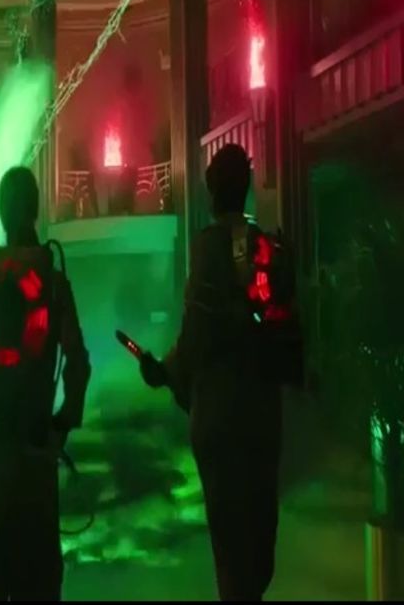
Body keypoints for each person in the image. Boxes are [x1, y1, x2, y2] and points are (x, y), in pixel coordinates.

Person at [139, 144, 291, 601]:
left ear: (211, 192)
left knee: (230, 542)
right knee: (259, 535)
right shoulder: (267, 249)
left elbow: (196, 337)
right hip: (263, 415)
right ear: (246, 188)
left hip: (220, 419)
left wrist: (162, 372)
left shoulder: (207, 249)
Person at [0, 166, 91, 601]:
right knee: (38, 581)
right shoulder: (52, 281)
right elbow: (78, 363)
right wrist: (61, 426)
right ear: (36, 210)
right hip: (34, 456)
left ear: (1, 211)